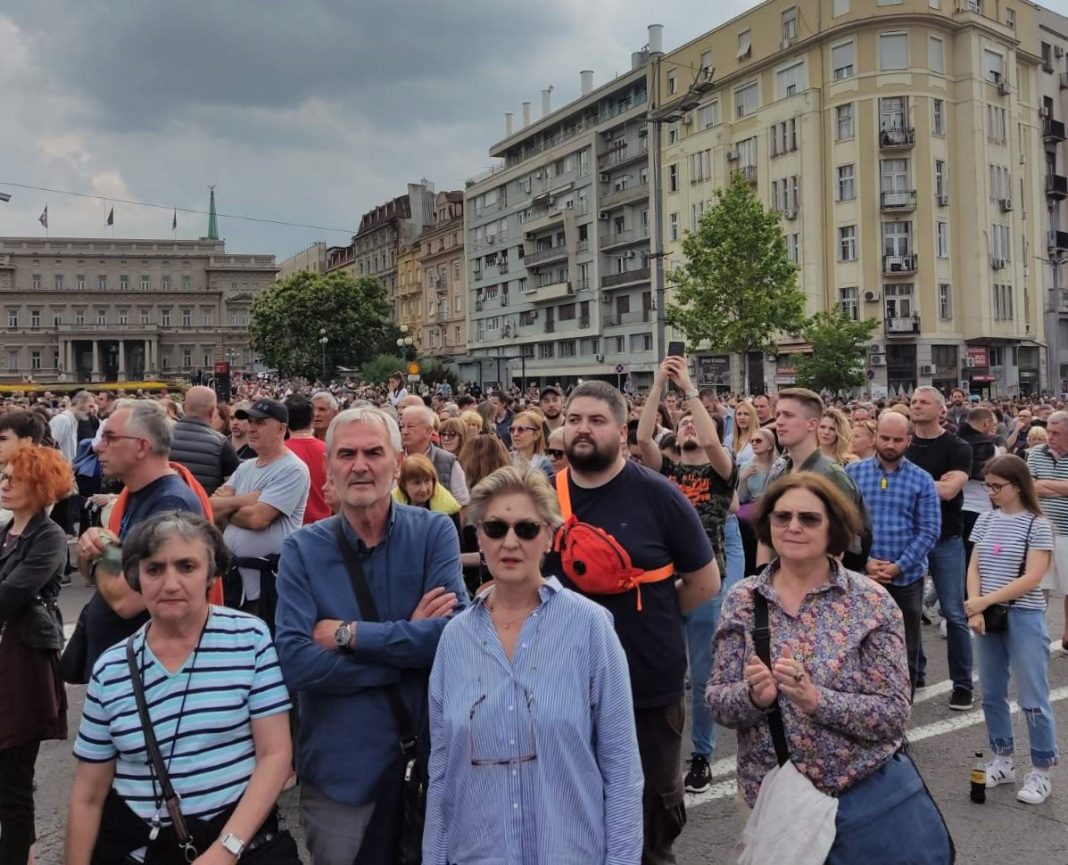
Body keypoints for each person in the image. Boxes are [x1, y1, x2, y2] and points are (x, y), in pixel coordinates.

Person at [706, 473, 951, 863]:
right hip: (773, 799)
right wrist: (753, 696)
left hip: (860, 796)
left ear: (834, 527)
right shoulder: (743, 600)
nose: (794, 527)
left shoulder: (871, 602)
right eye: (782, 517)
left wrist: (817, 700)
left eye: (809, 518)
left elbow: (893, 713)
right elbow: (718, 701)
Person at [274, 407, 467, 865]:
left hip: (430, 765)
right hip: (343, 775)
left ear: (397, 464)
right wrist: (409, 645)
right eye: (347, 454)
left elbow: (452, 640)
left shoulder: (433, 532)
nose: (360, 465)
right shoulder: (302, 549)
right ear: (329, 467)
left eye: (374, 452)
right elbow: (296, 662)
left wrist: (348, 634)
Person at [423, 466, 643, 865]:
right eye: (495, 528)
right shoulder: (454, 639)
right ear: (479, 538)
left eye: (525, 529)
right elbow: (442, 774)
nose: (510, 542)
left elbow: (622, 769)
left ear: (549, 536)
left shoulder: (589, 627)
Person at [552, 380, 719, 865]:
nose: (583, 429)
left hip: (647, 684)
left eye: (597, 420)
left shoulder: (659, 495)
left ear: (622, 431)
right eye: (575, 419)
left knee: (650, 819)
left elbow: (704, 584)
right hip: (563, 683)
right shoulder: (542, 495)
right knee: (571, 813)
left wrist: (655, 620)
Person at [67, 511, 294, 865]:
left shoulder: (249, 638)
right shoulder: (111, 669)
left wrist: (225, 850)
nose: (170, 583)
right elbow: (88, 794)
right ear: (136, 578)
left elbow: (275, 754)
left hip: (238, 843)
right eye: (154, 569)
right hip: (141, 848)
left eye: (186, 566)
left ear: (211, 573)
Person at [638, 357, 738, 794]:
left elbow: (715, 443)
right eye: (681, 426)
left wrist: (691, 392)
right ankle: (661, 749)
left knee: (701, 674)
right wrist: (660, 384)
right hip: (662, 581)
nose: (688, 430)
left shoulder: (720, 474)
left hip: (704, 582)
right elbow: (642, 436)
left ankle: (701, 753)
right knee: (663, 670)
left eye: (694, 426)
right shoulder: (668, 471)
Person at [76, 400, 208, 676]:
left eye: (110, 438)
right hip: (123, 664)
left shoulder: (169, 503)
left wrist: (99, 550)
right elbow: (100, 572)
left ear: (142, 446)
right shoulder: (139, 494)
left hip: (145, 672)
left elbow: (128, 600)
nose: (98, 446)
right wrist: (103, 551)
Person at [963, 454, 1058, 805]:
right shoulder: (986, 520)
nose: (991, 493)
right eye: (988, 486)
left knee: (1033, 696)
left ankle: (1041, 769)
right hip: (988, 614)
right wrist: (975, 602)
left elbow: (1032, 577)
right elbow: (974, 565)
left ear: (1017, 485)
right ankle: (1002, 759)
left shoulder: (1037, 524)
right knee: (991, 692)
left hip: (1024, 615)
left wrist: (982, 602)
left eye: (997, 486)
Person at [0, 447, 73, 865]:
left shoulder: (48, 538)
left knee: (14, 783)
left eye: (15, 479)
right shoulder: (7, 529)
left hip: (23, 664)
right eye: (5, 476)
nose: (5, 484)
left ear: (40, 487)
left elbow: (10, 594)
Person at [846, 412, 941, 692]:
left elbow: (929, 530)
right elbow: (843, 523)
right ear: (875, 437)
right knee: (859, 640)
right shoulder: (852, 473)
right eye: (885, 438)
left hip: (906, 577)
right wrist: (866, 563)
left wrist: (899, 566)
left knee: (905, 646)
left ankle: (901, 709)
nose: (890, 444)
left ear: (908, 441)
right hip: (862, 575)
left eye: (897, 440)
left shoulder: (921, 479)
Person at [907, 386, 974, 709]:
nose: (916, 406)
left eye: (923, 402)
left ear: (939, 410)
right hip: (909, 537)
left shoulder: (957, 446)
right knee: (909, 610)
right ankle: (915, 672)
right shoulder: (903, 444)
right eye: (913, 402)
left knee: (954, 612)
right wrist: (933, 484)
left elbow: (949, 492)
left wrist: (909, 482)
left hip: (946, 537)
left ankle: (962, 684)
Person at [212, 399, 310, 618]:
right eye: (251, 422)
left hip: (267, 585)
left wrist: (228, 506)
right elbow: (210, 508)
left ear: (281, 428)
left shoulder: (292, 469)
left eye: (260, 423)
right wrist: (243, 500)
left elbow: (258, 519)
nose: (252, 428)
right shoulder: (245, 466)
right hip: (234, 581)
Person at [759, 388, 870, 573]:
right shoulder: (779, 472)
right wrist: (763, 576)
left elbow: (838, 547)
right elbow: (765, 536)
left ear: (811, 424)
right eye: (777, 414)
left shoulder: (831, 475)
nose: (779, 422)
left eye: (788, 415)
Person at [1027, 410, 1068, 652]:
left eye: (1056, 433)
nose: (1049, 437)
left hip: (1067, 531)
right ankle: (1036, 634)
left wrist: (1043, 486)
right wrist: (1062, 489)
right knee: (1037, 586)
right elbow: (1028, 487)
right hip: (1041, 531)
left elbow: (1037, 485)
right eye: (1048, 432)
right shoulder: (1035, 454)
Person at [169, 385, 240, 496]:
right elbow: (234, 488)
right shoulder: (221, 444)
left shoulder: (161, 436)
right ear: (212, 411)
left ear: (183, 407)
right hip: (205, 509)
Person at [400, 404, 470, 506]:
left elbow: (462, 504)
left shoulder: (448, 462)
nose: (404, 432)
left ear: (428, 431)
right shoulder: (392, 459)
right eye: (402, 426)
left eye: (410, 426)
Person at [956, 407, 1001, 565]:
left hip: (953, 507)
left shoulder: (952, 443)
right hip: (981, 509)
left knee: (958, 561)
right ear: (986, 423)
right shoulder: (991, 448)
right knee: (978, 561)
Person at [391, 454, 463, 543]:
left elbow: (458, 547)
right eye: (417, 483)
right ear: (404, 485)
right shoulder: (390, 509)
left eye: (427, 481)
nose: (424, 489)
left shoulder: (449, 508)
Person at [284, 394, 331, 525]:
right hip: (324, 525)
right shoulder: (328, 450)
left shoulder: (278, 452)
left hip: (290, 526)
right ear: (312, 419)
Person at [737, 427, 777, 576]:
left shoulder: (779, 466)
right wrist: (743, 479)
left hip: (771, 507)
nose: (754, 443)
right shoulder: (746, 466)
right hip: (750, 506)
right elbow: (741, 498)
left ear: (770, 445)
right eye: (752, 441)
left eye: (758, 440)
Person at [509, 410, 554, 480]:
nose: (515, 434)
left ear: (537, 434)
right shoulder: (506, 459)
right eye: (512, 430)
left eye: (521, 429)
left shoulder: (546, 465)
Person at [731, 400, 759, 465]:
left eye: (746, 414)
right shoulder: (730, 439)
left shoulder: (760, 438)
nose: (742, 417)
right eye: (739, 414)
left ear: (752, 417)